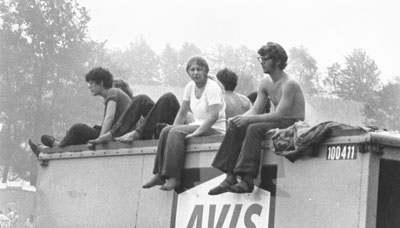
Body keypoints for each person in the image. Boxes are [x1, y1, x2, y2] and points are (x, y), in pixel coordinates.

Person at [209, 42, 305, 195]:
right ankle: (230, 177)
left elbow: (279, 114)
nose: (262, 63)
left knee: (254, 127)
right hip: (278, 120)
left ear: (278, 61)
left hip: (292, 122)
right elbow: (255, 109)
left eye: (265, 59)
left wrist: (248, 120)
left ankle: (247, 180)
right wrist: (239, 118)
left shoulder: (290, 84)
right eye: (260, 59)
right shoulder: (265, 82)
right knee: (236, 124)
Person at [143, 56, 226, 191]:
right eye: (192, 69)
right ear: (188, 72)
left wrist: (196, 133)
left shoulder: (212, 87)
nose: (195, 72)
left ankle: (175, 177)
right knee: (167, 130)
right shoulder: (190, 86)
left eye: (199, 69)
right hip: (197, 124)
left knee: (176, 132)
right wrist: (172, 128)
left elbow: (213, 116)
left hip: (215, 128)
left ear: (205, 71)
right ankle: (159, 174)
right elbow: (182, 113)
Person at [28, 67, 131, 156]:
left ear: (101, 82)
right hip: (117, 133)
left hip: (118, 135)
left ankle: (56, 145)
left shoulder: (113, 92)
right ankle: (53, 146)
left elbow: (109, 117)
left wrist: (100, 139)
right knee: (81, 134)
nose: (89, 86)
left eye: (91, 83)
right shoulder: (112, 95)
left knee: (77, 129)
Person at [88, 79, 181, 144]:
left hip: (174, 126)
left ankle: (135, 133)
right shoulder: (131, 109)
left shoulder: (128, 108)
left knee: (168, 97)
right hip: (155, 128)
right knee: (141, 98)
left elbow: (187, 115)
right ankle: (113, 134)